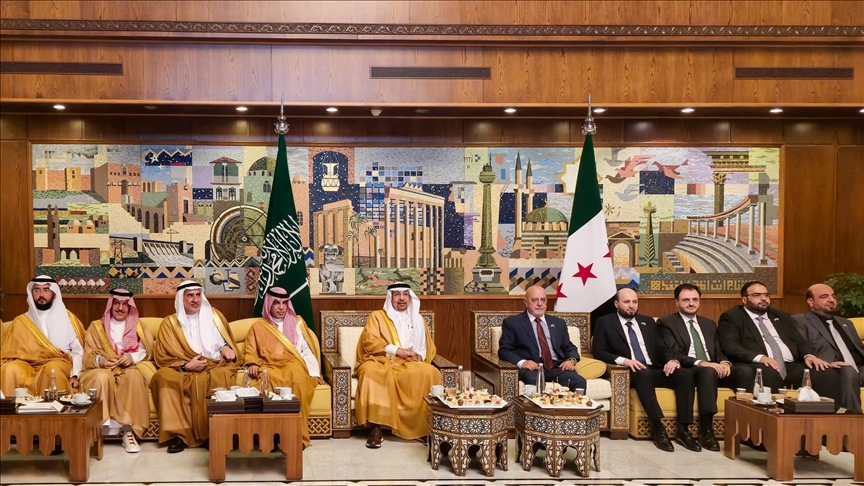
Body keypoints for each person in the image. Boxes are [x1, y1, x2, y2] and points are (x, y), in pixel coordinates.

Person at [592, 288, 700, 452]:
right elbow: (599, 351)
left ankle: (683, 430)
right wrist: (625, 361)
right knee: (644, 375)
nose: (631, 306)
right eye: (627, 302)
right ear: (616, 304)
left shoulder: (648, 321)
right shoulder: (605, 322)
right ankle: (658, 428)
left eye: (635, 302)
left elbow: (661, 348)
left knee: (685, 374)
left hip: (654, 368)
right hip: (631, 372)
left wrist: (671, 360)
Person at [657, 283, 754, 451]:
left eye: (695, 299)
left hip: (713, 367)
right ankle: (706, 429)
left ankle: (745, 427)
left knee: (745, 371)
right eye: (686, 300)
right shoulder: (666, 323)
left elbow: (718, 351)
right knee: (708, 372)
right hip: (690, 369)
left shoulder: (708, 324)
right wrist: (702, 363)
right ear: (676, 302)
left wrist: (724, 362)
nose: (691, 303)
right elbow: (673, 353)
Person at [150, 280, 239, 453]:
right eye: (190, 296)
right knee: (163, 378)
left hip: (213, 365)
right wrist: (186, 366)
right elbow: (163, 356)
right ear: (180, 299)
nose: (195, 299)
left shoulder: (214, 316)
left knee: (220, 376)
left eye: (198, 295)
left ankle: (213, 433)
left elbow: (223, 342)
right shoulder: (169, 324)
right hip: (184, 367)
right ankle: (178, 435)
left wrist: (225, 347)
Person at [354, 282, 442, 449]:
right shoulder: (377, 316)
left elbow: (427, 346)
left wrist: (419, 355)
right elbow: (370, 341)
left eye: (405, 294)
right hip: (382, 359)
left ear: (410, 297)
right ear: (390, 297)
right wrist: (397, 351)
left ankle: (423, 428)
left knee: (430, 373)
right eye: (397, 294)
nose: (402, 298)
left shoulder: (418, 319)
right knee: (370, 371)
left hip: (409, 362)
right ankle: (376, 428)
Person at [717, 281, 839, 401]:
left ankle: (826, 413)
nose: (763, 298)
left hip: (790, 366)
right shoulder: (733, 317)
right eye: (756, 295)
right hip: (759, 365)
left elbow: (799, 341)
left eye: (766, 295)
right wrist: (761, 358)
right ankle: (776, 413)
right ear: (744, 299)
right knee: (768, 373)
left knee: (825, 372)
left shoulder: (781, 316)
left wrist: (809, 355)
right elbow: (730, 347)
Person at [243, 286, 325, 448]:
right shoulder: (258, 327)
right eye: (276, 303)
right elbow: (250, 349)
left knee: (300, 383)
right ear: (269, 304)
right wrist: (252, 362)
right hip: (269, 367)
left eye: (284, 303)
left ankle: (296, 436)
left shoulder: (296, 324)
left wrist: (314, 373)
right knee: (263, 386)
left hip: (293, 365)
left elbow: (306, 350)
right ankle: (269, 437)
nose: (281, 307)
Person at [79, 289, 154, 453]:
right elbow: (88, 353)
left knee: (134, 377)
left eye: (125, 304)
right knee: (101, 377)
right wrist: (101, 361)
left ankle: (128, 431)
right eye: (117, 304)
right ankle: (95, 431)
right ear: (110, 305)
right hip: (102, 367)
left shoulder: (139, 327)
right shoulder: (96, 326)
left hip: (127, 367)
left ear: (130, 307)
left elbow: (147, 350)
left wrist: (132, 358)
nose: (120, 308)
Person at [1, 276, 85, 396]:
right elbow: (8, 354)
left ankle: (53, 408)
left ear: (54, 293)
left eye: (46, 290)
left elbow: (78, 352)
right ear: (31, 293)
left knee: (52, 369)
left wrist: (75, 375)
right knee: (8, 369)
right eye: (37, 290)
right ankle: (10, 408)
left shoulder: (68, 319)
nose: (41, 294)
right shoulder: (21, 321)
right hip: (27, 364)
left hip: (58, 362)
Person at [498, 284, 586, 391]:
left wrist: (571, 360)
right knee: (535, 380)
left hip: (556, 367)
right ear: (525, 302)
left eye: (543, 300)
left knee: (579, 381)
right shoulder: (513, 323)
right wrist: (523, 362)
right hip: (532, 368)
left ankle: (574, 403)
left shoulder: (558, 323)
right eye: (534, 300)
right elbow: (504, 350)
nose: (540, 304)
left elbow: (568, 347)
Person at [792, 283, 864, 413]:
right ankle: (853, 418)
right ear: (811, 301)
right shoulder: (800, 321)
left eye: (833, 296)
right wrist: (827, 363)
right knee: (848, 371)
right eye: (824, 297)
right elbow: (801, 348)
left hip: (859, 369)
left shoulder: (846, 323)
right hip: (833, 369)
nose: (831, 300)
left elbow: (859, 349)